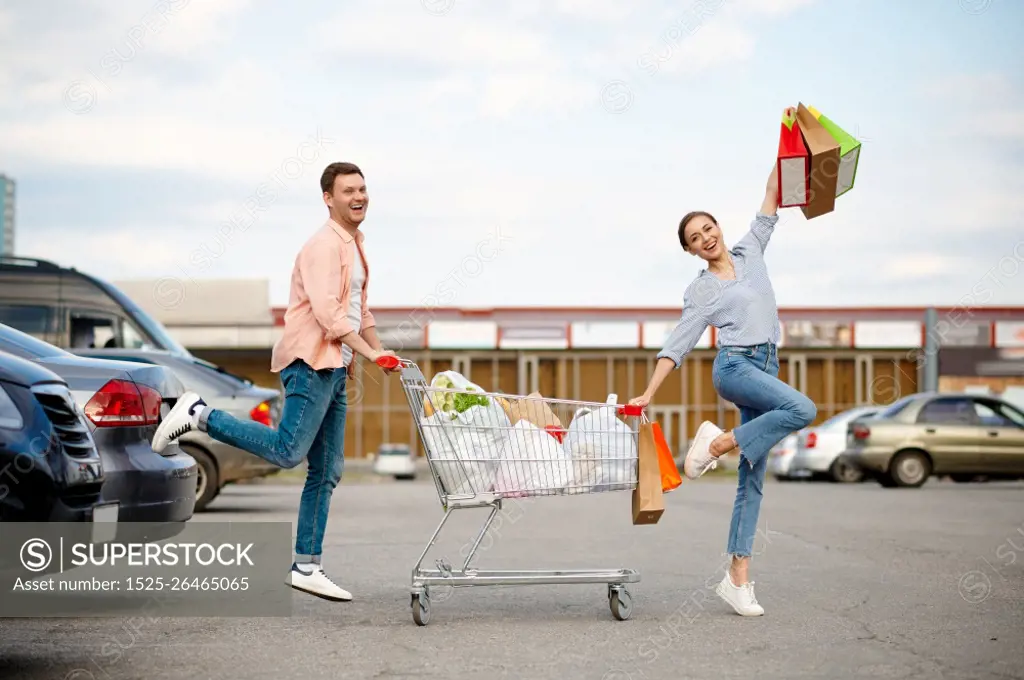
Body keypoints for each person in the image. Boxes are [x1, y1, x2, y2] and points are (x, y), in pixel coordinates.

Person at [151, 161, 397, 603]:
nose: (359, 197)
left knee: (327, 470)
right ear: (328, 198)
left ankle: (306, 564)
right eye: (348, 191)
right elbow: (327, 315)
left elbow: (362, 312)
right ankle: (200, 414)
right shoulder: (323, 246)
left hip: (337, 367)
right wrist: (371, 352)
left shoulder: (356, 245)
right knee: (288, 451)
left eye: (363, 189)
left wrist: (380, 353)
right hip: (311, 362)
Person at [629, 158, 816, 617]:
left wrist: (788, 143)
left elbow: (773, 195)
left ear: (718, 227)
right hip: (735, 367)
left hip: (766, 366)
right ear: (691, 251)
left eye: (708, 228)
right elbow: (678, 343)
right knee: (803, 409)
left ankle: (738, 579)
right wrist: (649, 393)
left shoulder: (751, 249)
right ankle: (719, 443)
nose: (705, 238)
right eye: (695, 238)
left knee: (752, 480)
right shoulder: (702, 291)